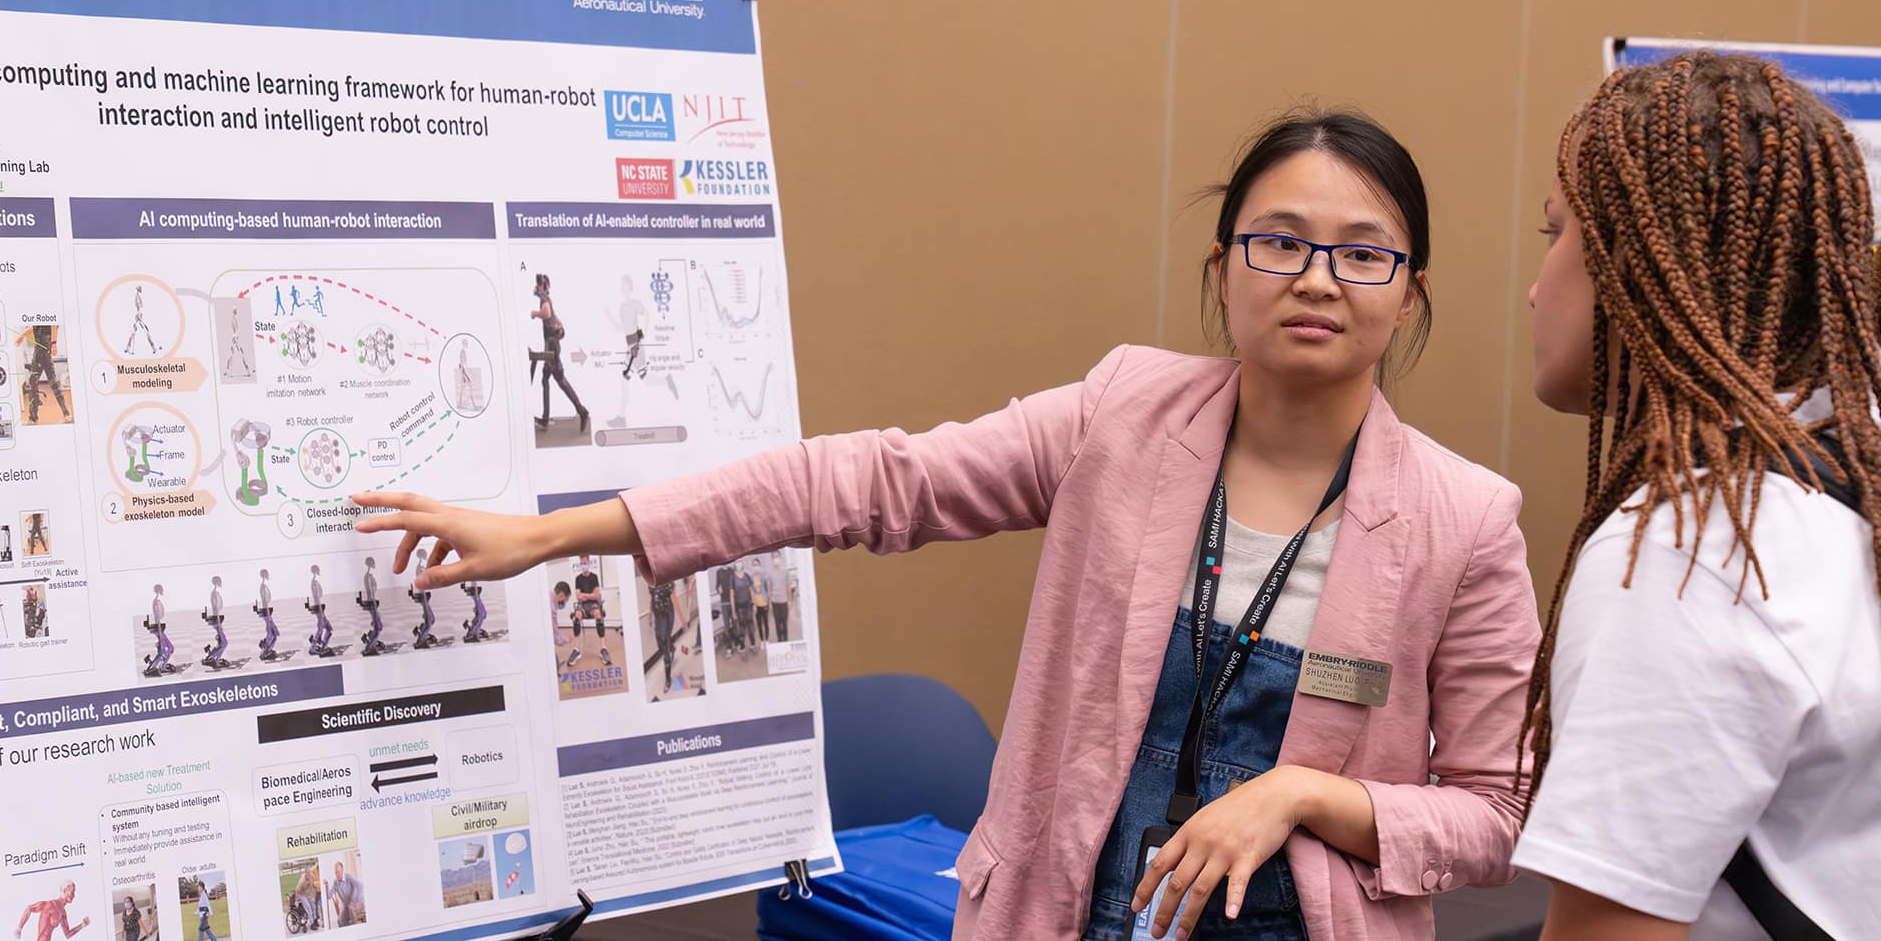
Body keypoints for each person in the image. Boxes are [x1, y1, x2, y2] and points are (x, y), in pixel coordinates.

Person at [353, 109, 1541, 939]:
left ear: (1411, 289)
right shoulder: (1121, 414)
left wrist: (1300, 796)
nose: (1316, 276)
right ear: (1222, 263)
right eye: (1276, 240)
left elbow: (1496, 814)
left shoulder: (1461, 519)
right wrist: (563, 534)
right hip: (1060, 913)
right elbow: (866, 483)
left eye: (1361, 252)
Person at [1511, 51, 1881, 939]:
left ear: (1641, 260)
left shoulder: (1697, 550)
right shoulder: (1851, 486)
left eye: (1555, 235)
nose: (1535, 285)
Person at [529, 274, 589, 433]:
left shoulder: (544, 299)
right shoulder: (547, 299)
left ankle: (582, 411)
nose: (537, 286)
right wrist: (558, 325)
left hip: (552, 347)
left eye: (538, 284)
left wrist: (535, 314)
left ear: (544, 286)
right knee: (544, 379)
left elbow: (546, 313)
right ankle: (545, 420)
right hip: (551, 345)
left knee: (561, 381)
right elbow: (554, 317)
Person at [14, 880, 89, 940]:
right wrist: (19, 928)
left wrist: (82, 925)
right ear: (65, 891)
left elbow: (67, 934)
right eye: (72, 892)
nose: (74, 895)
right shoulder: (50, 905)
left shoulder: (63, 912)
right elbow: (29, 908)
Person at [766, 553, 792, 643]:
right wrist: (769, 603)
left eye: (777, 556)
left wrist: (789, 600)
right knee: (777, 623)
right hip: (775, 601)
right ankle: (780, 641)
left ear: (780, 557)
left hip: (784, 601)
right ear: (771, 559)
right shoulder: (770, 573)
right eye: (773, 557)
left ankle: (786, 641)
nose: (775, 558)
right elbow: (769, 588)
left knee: (784, 622)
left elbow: (788, 586)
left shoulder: (785, 571)